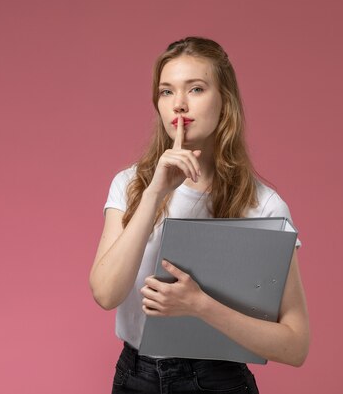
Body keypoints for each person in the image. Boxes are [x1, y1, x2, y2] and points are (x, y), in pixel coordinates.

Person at [90, 36, 310, 394]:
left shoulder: (264, 205)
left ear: (225, 102)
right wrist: (155, 192)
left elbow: (295, 345)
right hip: (135, 377)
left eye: (195, 89)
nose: (178, 105)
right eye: (166, 92)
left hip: (217, 379)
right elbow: (105, 293)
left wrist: (200, 306)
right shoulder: (131, 184)